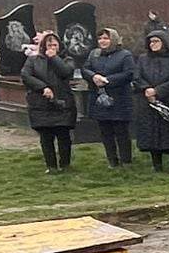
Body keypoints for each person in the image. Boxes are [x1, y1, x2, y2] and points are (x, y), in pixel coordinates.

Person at [21, 31, 77, 174]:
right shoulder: (33, 60)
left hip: (62, 103)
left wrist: (54, 58)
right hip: (41, 104)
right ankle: (51, 166)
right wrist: (42, 87)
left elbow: (66, 72)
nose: (52, 47)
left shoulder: (67, 60)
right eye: (49, 45)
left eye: (55, 45)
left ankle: (65, 164)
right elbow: (26, 75)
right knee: (46, 137)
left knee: (63, 136)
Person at [81, 28, 136, 169]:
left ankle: (126, 161)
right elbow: (85, 69)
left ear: (113, 39)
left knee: (121, 132)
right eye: (100, 39)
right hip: (99, 98)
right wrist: (93, 77)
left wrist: (108, 80)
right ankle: (112, 160)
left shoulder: (125, 55)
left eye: (106, 38)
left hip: (119, 98)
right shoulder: (94, 54)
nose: (102, 41)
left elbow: (129, 73)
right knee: (105, 132)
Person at [135, 28, 169, 174]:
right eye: (151, 42)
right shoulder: (143, 59)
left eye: (156, 41)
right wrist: (146, 89)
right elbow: (137, 76)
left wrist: (157, 91)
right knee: (152, 134)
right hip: (148, 101)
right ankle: (156, 165)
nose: (153, 44)